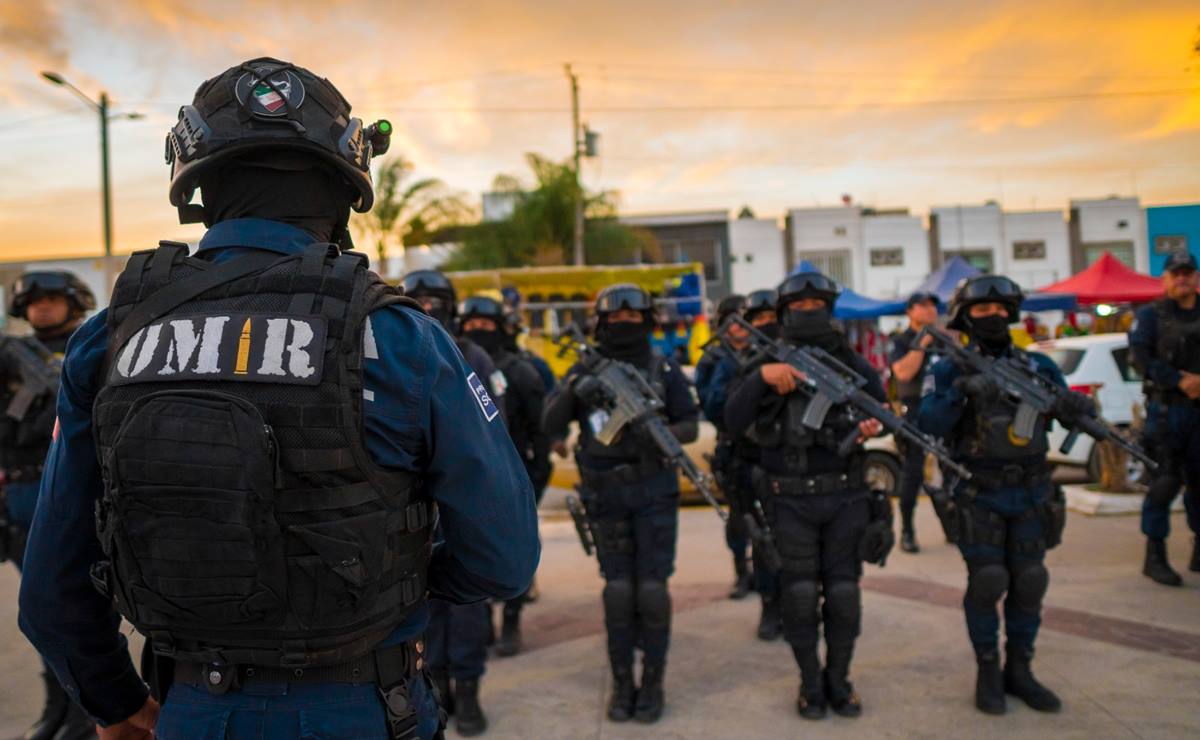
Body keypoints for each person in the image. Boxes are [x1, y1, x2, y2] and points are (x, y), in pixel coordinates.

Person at [17, 57, 539, 740]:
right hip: (364, 705)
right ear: (347, 185)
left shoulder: (109, 338)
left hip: (190, 706)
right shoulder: (403, 338)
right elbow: (503, 558)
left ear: (196, 182)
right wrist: (399, 582)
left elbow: (51, 591)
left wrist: (116, 705)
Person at [724, 273, 885, 720]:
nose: (809, 310)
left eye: (818, 303)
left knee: (844, 595)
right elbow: (732, 420)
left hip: (845, 496)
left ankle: (840, 680)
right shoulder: (765, 359)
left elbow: (882, 406)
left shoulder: (849, 361)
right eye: (800, 303)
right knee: (797, 596)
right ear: (783, 311)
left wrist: (873, 425)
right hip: (787, 499)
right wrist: (762, 378)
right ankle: (809, 683)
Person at [918, 275, 1080, 715]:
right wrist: (960, 394)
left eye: (1000, 308)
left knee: (1029, 581)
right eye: (981, 309)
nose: (992, 316)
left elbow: (1062, 407)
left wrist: (1077, 408)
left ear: (1012, 313)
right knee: (989, 581)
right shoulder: (947, 368)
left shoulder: (1037, 366)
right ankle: (987, 668)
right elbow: (927, 422)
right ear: (964, 317)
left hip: (1030, 490)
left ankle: (1020, 669)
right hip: (979, 491)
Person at [542, 284, 699, 724]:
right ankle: (622, 683)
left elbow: (689, 423)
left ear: (648, 322)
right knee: (617, 591)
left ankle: (652, 682)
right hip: (605, 493)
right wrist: (578, 388)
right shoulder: (584, 367)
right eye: (616, 318)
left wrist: (653, 426)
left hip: (653, 491)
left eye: (634, 318)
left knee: (651, 589)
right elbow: (549, 422)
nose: (624, 324)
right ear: (601, 323)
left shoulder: (662, 367)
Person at [401, 271, 508, 736]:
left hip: (463, 504)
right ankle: (435, 684)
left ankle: (467, 690)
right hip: (408, 506)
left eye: (436, 300)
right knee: (418, 604)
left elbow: (492, 435)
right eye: (418, 299)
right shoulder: (386, 352)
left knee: (466, 607)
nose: (427, 308)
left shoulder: (475, 357)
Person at [1, 271, 96, 740]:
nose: (41, 308)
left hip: (70, 486)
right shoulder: (8, 354)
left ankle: (90, 710)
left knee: (76, 606)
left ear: (74, 301)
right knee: (40, 607)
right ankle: (59, 707)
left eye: (53, 299)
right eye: (34, 302)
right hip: (18, 492)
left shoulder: (97, 342)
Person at [458, 295, 549, 658]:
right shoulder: (454, 363)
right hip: (470, 479)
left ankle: (512, 621)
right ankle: (481, 625)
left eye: (487, 325)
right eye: (472, 325)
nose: (479, 332)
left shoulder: (521, 371)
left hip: (514, 476)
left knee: (514, 555)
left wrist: (535, 478)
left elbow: (540, 429)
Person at [1128, 251, 1200, 586]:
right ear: (1166, 279)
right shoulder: (1151, 316)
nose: (1182, 279)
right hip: (1168, 411)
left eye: (1188, 272)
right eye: (1176, 273)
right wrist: (1179, 381)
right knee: (1165, 482)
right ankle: (1154, 555)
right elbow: (1140, 358)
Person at [695, 294, 754, 600]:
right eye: (732, 319)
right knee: (738, 518)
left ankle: (766, 572)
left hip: (765, 447)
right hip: (732, 448)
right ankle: (741, 573)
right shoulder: (713, 360)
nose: (739, 326)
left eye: (744, 318)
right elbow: (710, 405)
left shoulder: (764, 351)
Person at [888, 291, 941, 553]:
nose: (930, 310)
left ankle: (953, 526)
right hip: (915, 412)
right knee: (913, 474)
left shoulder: (942, 340)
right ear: (910, 311)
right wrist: (922, 342)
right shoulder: (902, 340)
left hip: (944, 410)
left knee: (953, 471)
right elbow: (903, 372)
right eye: (923, 305)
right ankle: (907, 530)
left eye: (933, 305)